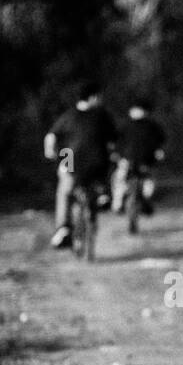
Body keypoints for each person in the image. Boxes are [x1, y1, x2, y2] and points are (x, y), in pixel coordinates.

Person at [44, 81, 116, 249]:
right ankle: (103, 194)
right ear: (93, 97)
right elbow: (113, 141)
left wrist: (51, 153)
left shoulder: (68, 116)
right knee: (106, 166)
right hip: (98, 160)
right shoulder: (102, 115)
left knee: (65, 191)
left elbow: (51, 137)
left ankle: (63, 228)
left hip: (69, 157)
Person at [111, 97, 166, 222]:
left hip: (144, 162)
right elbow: (117, 143)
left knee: (146, 184)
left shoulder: (151, 126)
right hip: (129, 161)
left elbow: (159, 143)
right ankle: (118, 202)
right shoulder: (127, 126)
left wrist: (158, 152)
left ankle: (142, 203)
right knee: (120, 181)